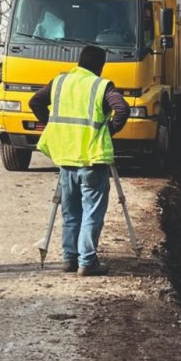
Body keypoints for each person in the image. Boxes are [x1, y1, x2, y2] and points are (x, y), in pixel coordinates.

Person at [29, 44, 129, 276]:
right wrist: (108, 131)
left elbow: (35, 102)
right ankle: (87, 262)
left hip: (66, 157)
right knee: (91, 212)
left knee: (71, 212)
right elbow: (122, 109)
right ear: (100, 66)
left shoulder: (60, 82)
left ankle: (69, 258)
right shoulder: (101, 85)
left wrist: (53, 126)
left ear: (79, 61)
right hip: (92, 159)